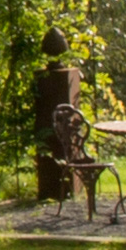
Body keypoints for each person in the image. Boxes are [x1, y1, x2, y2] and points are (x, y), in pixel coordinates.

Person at [33, 33, 94, 211]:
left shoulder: (64, 76)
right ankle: (56, 190)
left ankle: (65, 190)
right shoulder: (47, 79)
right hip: (54, 146)